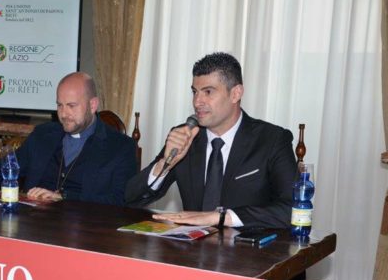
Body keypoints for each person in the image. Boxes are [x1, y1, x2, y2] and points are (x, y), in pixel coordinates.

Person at [125, 52, 297, 229]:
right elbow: (130, 198)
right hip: (191, 244)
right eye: (194, 92)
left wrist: (221, 218)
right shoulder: (186, 136)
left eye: (208, 92)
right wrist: (165, 164)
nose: (197, 102)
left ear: (235, 93)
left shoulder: (272, 140)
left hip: (247, 244)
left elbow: (294, 210)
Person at [0, 72, 137, 206]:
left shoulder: (120, 147)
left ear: (93, 105)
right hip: (34, 224)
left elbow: (120, 201)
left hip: (86, 229)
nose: (64, 114)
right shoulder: (43, 135)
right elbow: (10, 165)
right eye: (59, 105)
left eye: (71, 106)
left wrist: (65, 197)